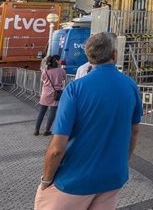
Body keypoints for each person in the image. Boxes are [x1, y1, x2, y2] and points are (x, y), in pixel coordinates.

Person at [35, 32, 142, 209]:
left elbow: (57, 148)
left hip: (74, 180)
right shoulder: (130, 85)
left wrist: (46, 180)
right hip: (112, 177)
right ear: (114, 55)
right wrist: (122, 162)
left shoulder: (75, 89)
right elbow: (134, 131)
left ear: (89, 56)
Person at [35, 55, 66, 136]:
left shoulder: (45, 71)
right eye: (59, 60)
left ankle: (36, 130)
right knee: (52, 112)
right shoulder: (61, 71)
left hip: (45, 93)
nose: (61, 61)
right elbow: (63, 80)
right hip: (55, 94)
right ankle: (47, 130)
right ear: (57, 61)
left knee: (41, 112)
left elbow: (42, 80)